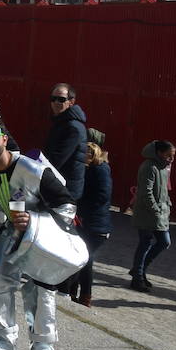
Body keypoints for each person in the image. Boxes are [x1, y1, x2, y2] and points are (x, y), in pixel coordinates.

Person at [0, 114, 76, 350]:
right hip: (10, 234)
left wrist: (35, 220)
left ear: (4, 138)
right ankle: (4, 342)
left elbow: (67, 205)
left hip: (40, 239)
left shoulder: (32, 170)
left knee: (39, 293)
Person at [69, 128, 112, 307]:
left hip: (95, 225)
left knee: (85, 259)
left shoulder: (100, 170)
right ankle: (72, 292)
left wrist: (81, 206)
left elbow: (102, 196)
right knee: (79, 257)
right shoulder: (89, 169)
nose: (84, 155)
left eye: (87, 152)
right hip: (86, 221)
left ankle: (84, 295)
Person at [130, 140, 175, 293]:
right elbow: (146, 192)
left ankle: (139, 270)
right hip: (147, 212)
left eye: (173, 156)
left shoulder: (164, 167)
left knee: (164, 242)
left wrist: (167, 204)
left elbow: (164, 190)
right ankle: (137, 277)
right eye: (169, 155)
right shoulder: (149, 167)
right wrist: (156, 209)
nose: (171, 159)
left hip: (160, 212)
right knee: (145, 243)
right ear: (159, 153)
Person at [44, 84, 87, 203]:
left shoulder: (72, 127)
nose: (56, 102)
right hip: (59, 185)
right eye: (53, 99)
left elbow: (56, 159)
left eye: (61, 99)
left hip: (66, 190)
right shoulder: (61, 123)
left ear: (71, 102)